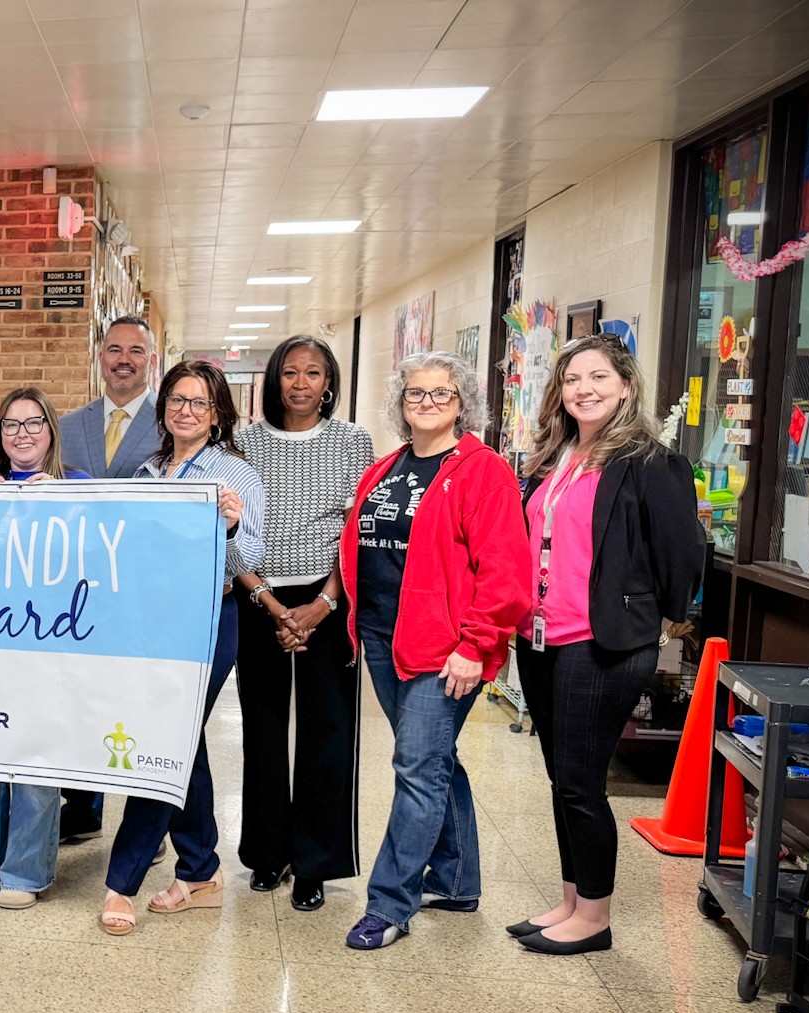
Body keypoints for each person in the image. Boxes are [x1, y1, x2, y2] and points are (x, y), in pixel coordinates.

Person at [511, 333, 704, 956]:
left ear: (625, 384)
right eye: (572, 380)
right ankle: (571, 899)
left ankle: (594, 918)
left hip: (604, 643)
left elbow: (683, 550)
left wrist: (666, 617)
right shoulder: (557, 454)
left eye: (597, 377)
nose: (584, 390)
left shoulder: (650, 461)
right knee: (561, 776)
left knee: (581, 782)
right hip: (541, 638)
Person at [337, 352, 530, 950]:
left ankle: (390, 903)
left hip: (443, 646)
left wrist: (477, 645)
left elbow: (506, 573)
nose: (426, 403)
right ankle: (455, 878)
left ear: (462, 402)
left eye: (441, 394)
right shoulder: (386, 468)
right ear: (400, 403)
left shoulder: (483, 471)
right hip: (380, 635)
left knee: (417, 769)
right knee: (432, 759)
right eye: (415, 393)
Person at [97, 362, 261, 935]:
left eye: (199, 403)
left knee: (165, 740)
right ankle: (200, 870)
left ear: (217, 416)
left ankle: (122, 882)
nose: (185, 410)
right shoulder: (147, 471)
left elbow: (250, 561)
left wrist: (235, 528)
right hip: (153, 624)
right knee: (184, 745)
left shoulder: (235, 475)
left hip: (209, 621)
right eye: (177, 400)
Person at [234, 335, 376, 913]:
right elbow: (235, 532)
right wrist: (270, 601)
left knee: (327, 732)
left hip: (329, 598)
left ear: (329, 382)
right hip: (260, 594)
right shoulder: (245, 443)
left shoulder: (353, 442)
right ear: (274, 380)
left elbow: (358, 531)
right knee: (262, 730)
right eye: (289, 373)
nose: (300, 384)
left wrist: (324, 604)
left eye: (313, 374)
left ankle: (315, 862)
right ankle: (268, 854)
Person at [0, 387, 89, 909]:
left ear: (51, 430)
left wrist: (59, 499)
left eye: (33, 424)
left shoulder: (77, 486)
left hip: (49, 646)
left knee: (38, 755)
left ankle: (26, 871)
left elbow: (96, 555)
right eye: (11, 425)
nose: (22, 434)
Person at [56, 316, 159, 841]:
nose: (124, 359)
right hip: (77, 590)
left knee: (138, 703)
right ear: (100, 357)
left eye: (135, 351)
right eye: (114, 349)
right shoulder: (69, 426)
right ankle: (83, 806)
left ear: (150, 360)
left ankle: (149, 824)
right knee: (81, 696)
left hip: (141, 590)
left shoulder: (172, 423)